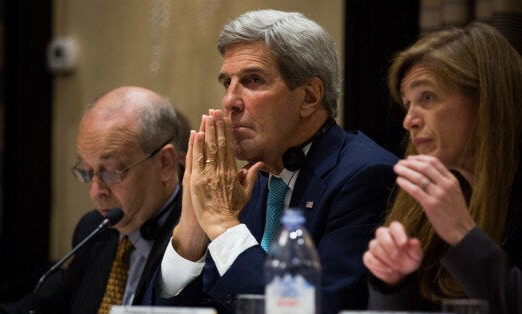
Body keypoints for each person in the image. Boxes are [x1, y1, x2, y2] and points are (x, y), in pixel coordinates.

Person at [143, 9, 399, 314]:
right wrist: (192, 231)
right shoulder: (251, 181)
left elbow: (314, 309)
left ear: (309, 96)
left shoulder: (367, 176)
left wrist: (223, 224)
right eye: (227, 83)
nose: (230, 101)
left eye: (253, 80)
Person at [363, 22, 522, 313]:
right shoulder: (429, 202)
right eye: (407, 104)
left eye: (427, 97)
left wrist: (464, 234)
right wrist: (394, 282)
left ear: (487, 101)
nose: (409, 120)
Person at [0, 86, 184, 313]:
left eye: (112, 171)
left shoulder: (196, 240)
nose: (96, 191)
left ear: (165, 163)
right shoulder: (94, 229)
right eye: (86, 171)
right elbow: (42, 303)